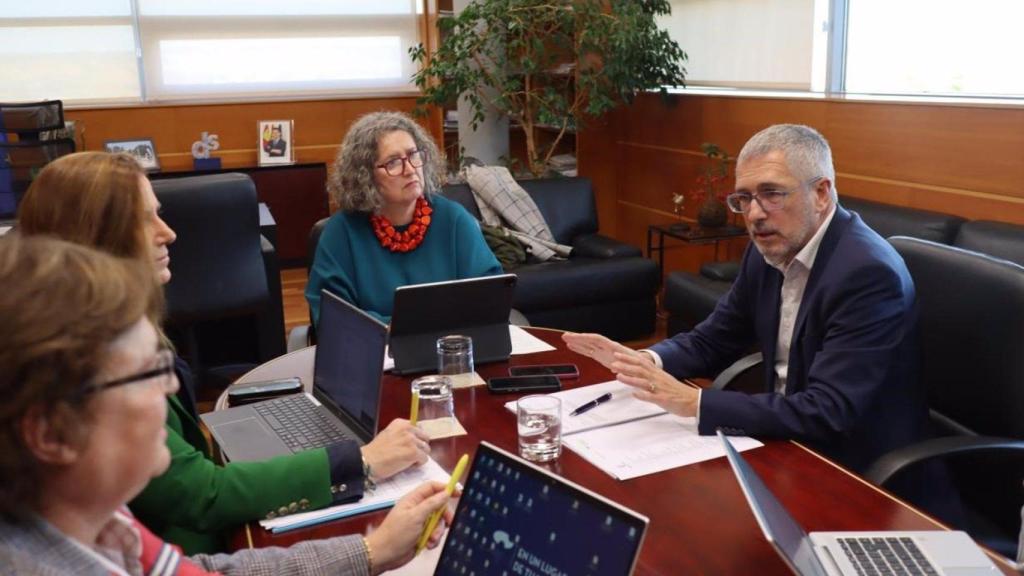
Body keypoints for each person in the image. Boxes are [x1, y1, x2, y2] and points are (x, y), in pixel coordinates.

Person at [17, 151, 432, 554]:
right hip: (199, 545)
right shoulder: (93, 365)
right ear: (93, 236)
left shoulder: (113, 330)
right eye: (145, 219)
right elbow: (201, 495)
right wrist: (358, 461)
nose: (168, 232)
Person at [564, 124, 927, 474]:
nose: (754, 214)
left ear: (820, 193)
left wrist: (695, 402)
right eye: (745, 198)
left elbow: (829, 411)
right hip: (784, 439)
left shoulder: (867, 274)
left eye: (772, 194)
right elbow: (715, 337)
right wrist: (646, 361)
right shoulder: (771, 247)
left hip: (855, 467)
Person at [306, 111, 503, 324]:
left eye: (413, 155)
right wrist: (408, 328)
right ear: (365, 176)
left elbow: (490, 295)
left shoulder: (453, 219)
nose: (410, 170)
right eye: (392, 163)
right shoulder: (340, 233)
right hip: (374, 352)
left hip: (452, 350)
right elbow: (333, 318)